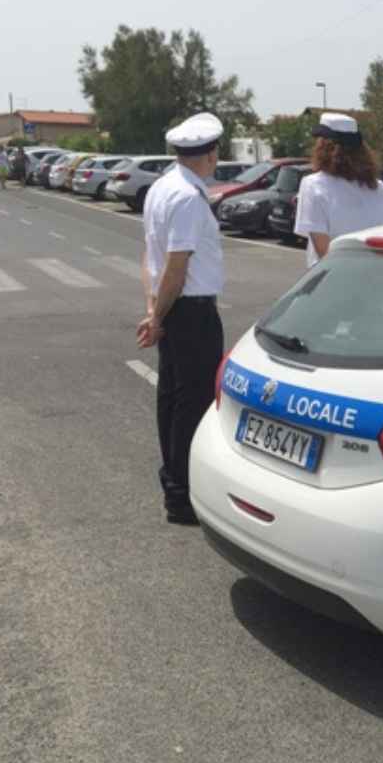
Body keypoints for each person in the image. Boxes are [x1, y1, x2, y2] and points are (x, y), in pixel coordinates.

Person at [135, 112, 226, 526]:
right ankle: (184, 495)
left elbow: (148, 259)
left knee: (171, 399)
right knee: (192, 404)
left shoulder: (161, 187)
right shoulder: (189, 197)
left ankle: (174, 483)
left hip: (172, 307)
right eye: (215, 154)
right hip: (191, 312)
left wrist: (154, 310)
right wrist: (159, 317)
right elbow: (175, 265)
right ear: (209, 154)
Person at [294, 112, 383, 268]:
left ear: (323, 147)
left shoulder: (312, 185)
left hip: (334, 282)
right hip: (377, 278)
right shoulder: (380, 188)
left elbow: (323, 252)